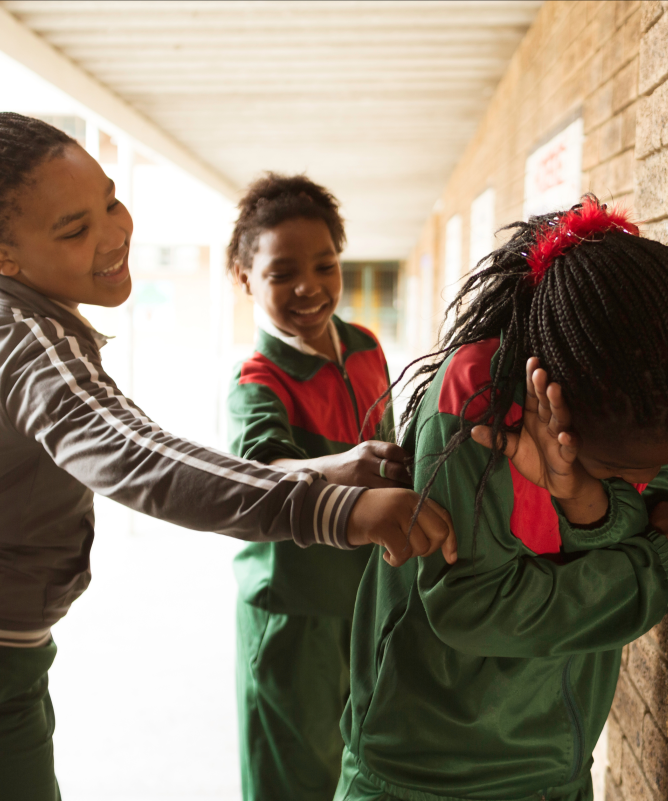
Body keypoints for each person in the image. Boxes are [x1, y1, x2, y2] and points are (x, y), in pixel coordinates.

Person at [0, 113, 455, 801]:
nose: (114, 232)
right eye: (74, 229)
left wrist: (329, 468)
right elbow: (146, 461)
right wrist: (333, 506)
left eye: (109, 199)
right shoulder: (30, 349)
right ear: (1, 255)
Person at [337, 196, 668, 800]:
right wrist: (654, 574)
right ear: (556, 401)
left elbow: (651, 510)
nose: (652, 478)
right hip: (425, 776)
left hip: (557, 770)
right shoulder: (475, 408)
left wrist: (585, 502)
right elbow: (475, 608)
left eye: (663, 465)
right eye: (620, 470)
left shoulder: (649, 386)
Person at [225, 174, 410, 801]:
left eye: (325, 265)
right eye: (282, 273)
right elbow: (257, 476)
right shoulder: (258, 380)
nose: (309, 287)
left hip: (365, 598)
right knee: (293, 778)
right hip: (294, 611)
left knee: (357, 765)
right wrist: (344, 465)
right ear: (245, 279)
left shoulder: (365, 346)